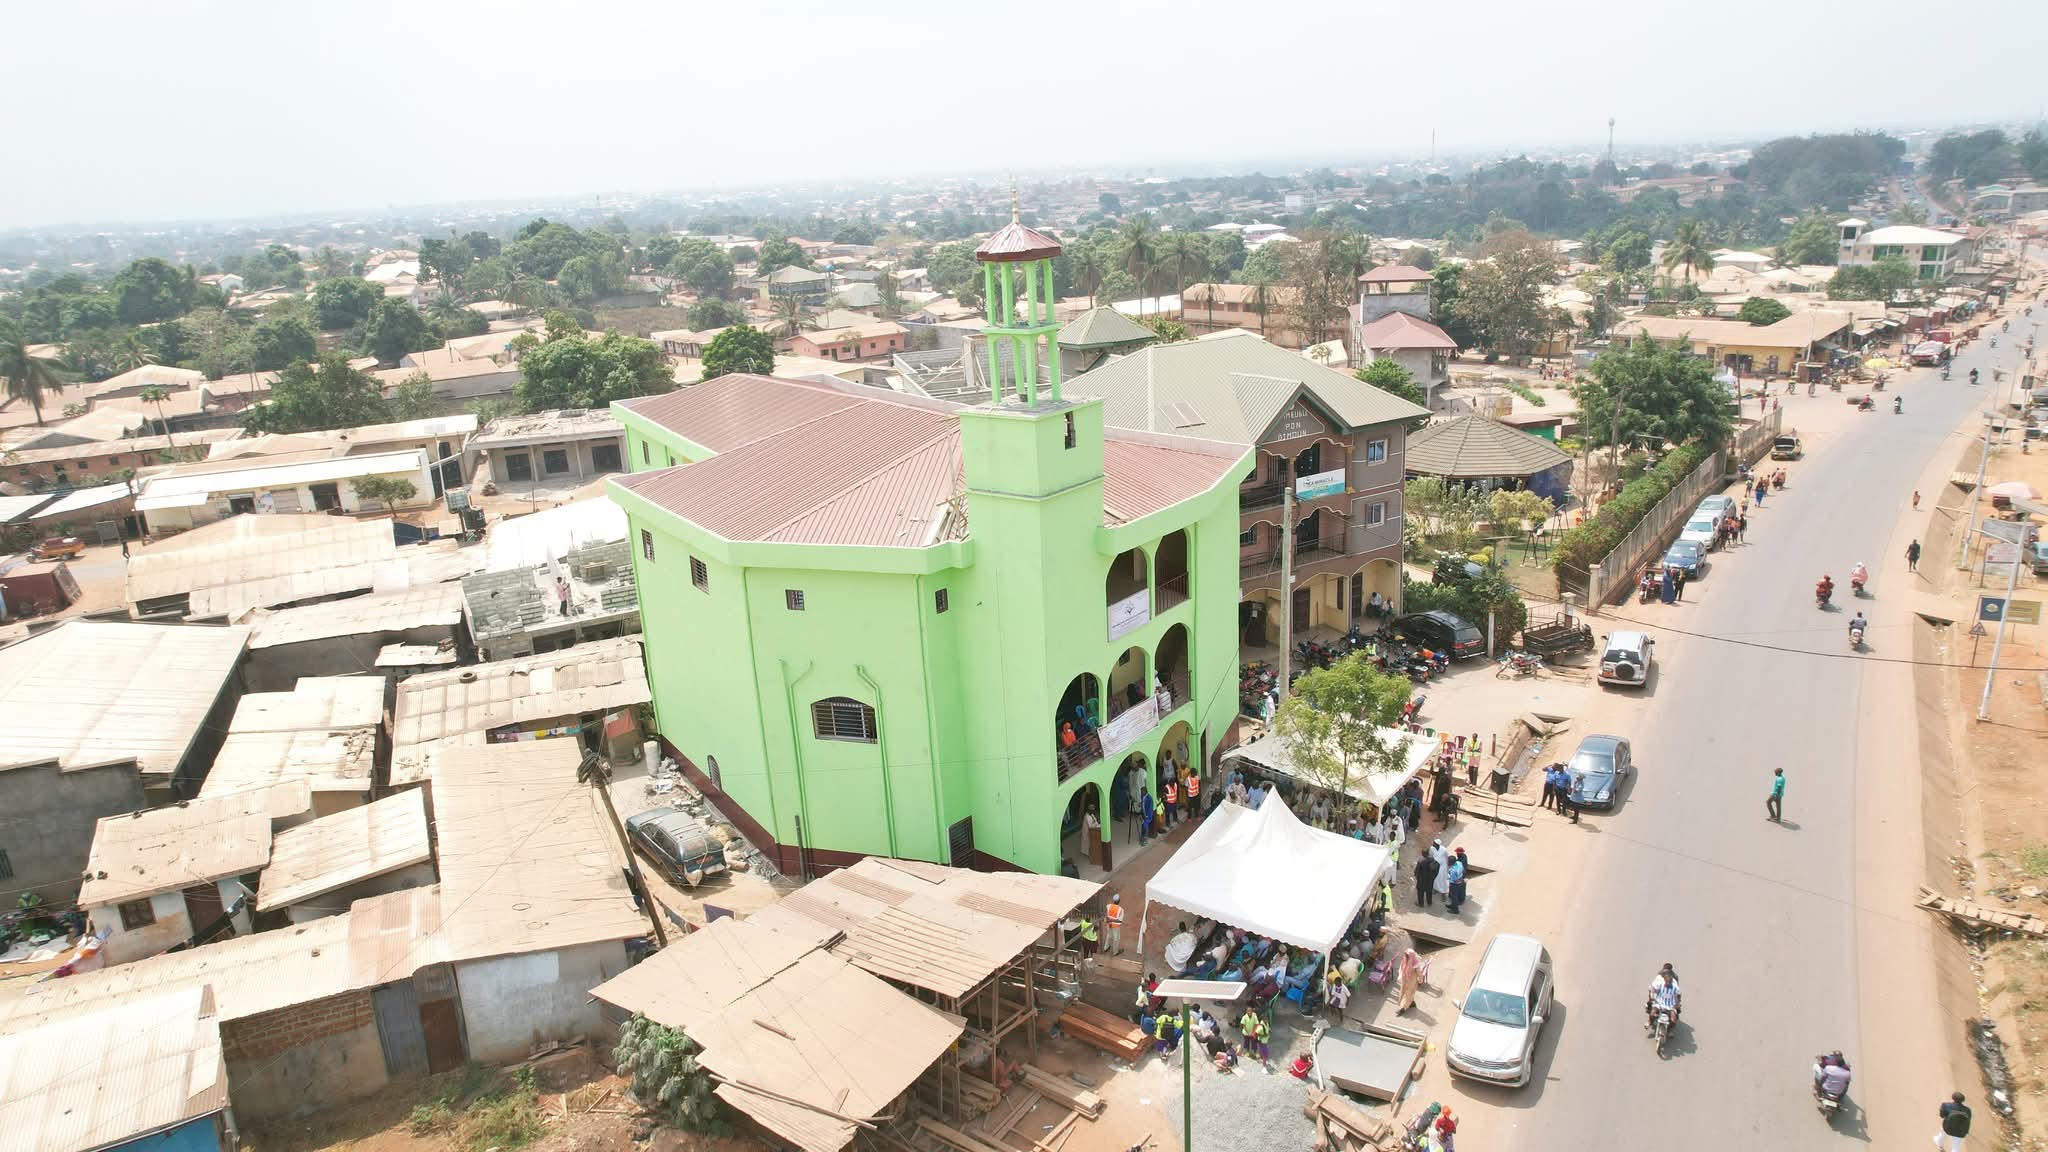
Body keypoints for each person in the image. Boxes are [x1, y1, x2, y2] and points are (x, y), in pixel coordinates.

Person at [1645, 963, 1681, 1031]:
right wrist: (1652, 996)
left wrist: (1677, 1004)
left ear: (1671, 981)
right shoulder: (1660, 982)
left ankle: (1670, 1030)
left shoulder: (1675, 985)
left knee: (1673, 1020)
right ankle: (1650, 1022)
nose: (1668, 983)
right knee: (1652, 1013)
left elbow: (1678, 995)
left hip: (1670, 1005)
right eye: (1666, 982)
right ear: (1664, 980)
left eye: (1669, 982)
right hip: (1659, 1002)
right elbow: (1653, 989)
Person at [1446, 847, 1469, 914]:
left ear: (1450, 863)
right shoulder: (1459, 863)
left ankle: (1455, 910)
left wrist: (1449, 878)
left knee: (1454, 897)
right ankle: (1452, 905)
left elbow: (1454, 879)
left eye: (1448, 861)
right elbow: (1462, 870)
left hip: (1454, 884)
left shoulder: (1452, 870)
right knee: (1455, 896)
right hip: (1460, 880)